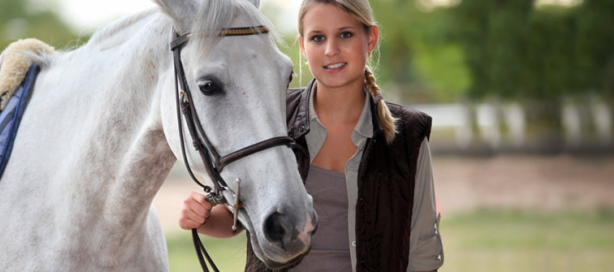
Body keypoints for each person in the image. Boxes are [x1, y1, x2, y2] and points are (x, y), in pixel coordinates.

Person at [178, 0, 444, 271]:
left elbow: (422, 251)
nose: (331, 50)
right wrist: (203, 217)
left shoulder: (409, 134)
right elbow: (240, 214)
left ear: (371, 38)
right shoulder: (274, 116)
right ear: (303, 47)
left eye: (345, 34)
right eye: (318, 38)